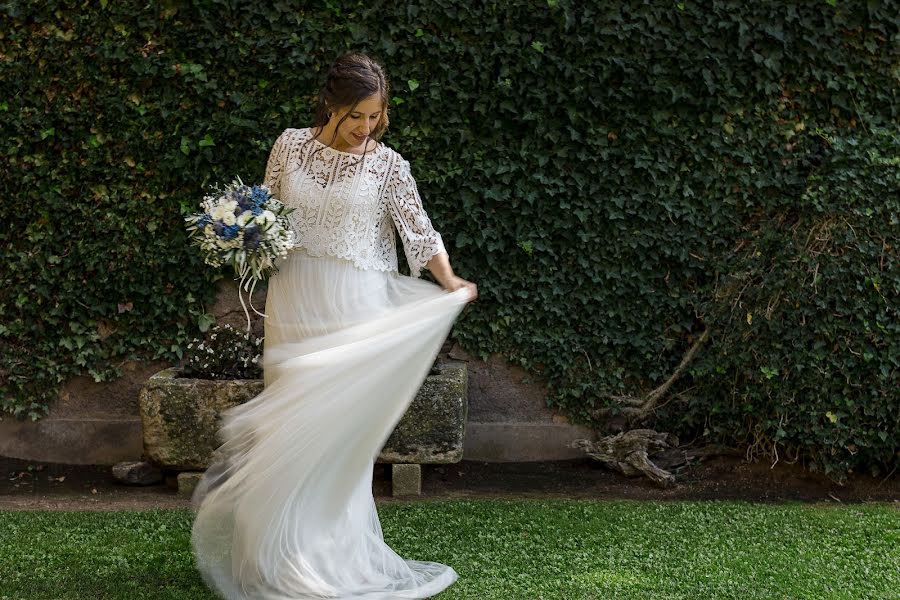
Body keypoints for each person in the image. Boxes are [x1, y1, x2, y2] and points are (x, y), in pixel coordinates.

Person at [190, 52, 477, 600]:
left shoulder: (388, 165)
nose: (365, 128)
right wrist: (242, 234)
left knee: (336, 433)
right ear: (331, 106)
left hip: (354, 306)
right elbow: (268, 211)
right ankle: (273, 556)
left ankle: (329, 559)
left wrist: (449, 280)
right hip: (296, 297)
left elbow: (418, 229)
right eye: (355, 117)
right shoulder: (289, 146)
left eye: (375, 117)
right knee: (290, 423)